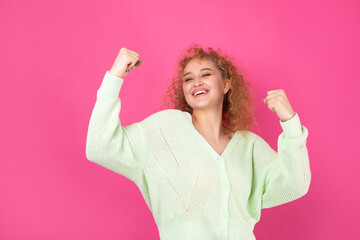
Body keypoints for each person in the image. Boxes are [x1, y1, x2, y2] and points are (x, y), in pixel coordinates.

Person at [85, 44, 311, 240]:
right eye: (188, 78)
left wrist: (290, 123)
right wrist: (114, 78)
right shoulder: (163, 130)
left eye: (205, 74)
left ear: (225, 85)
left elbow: (294, 185)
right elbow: (100, 147)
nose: (196, 82)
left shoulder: (248, 145)